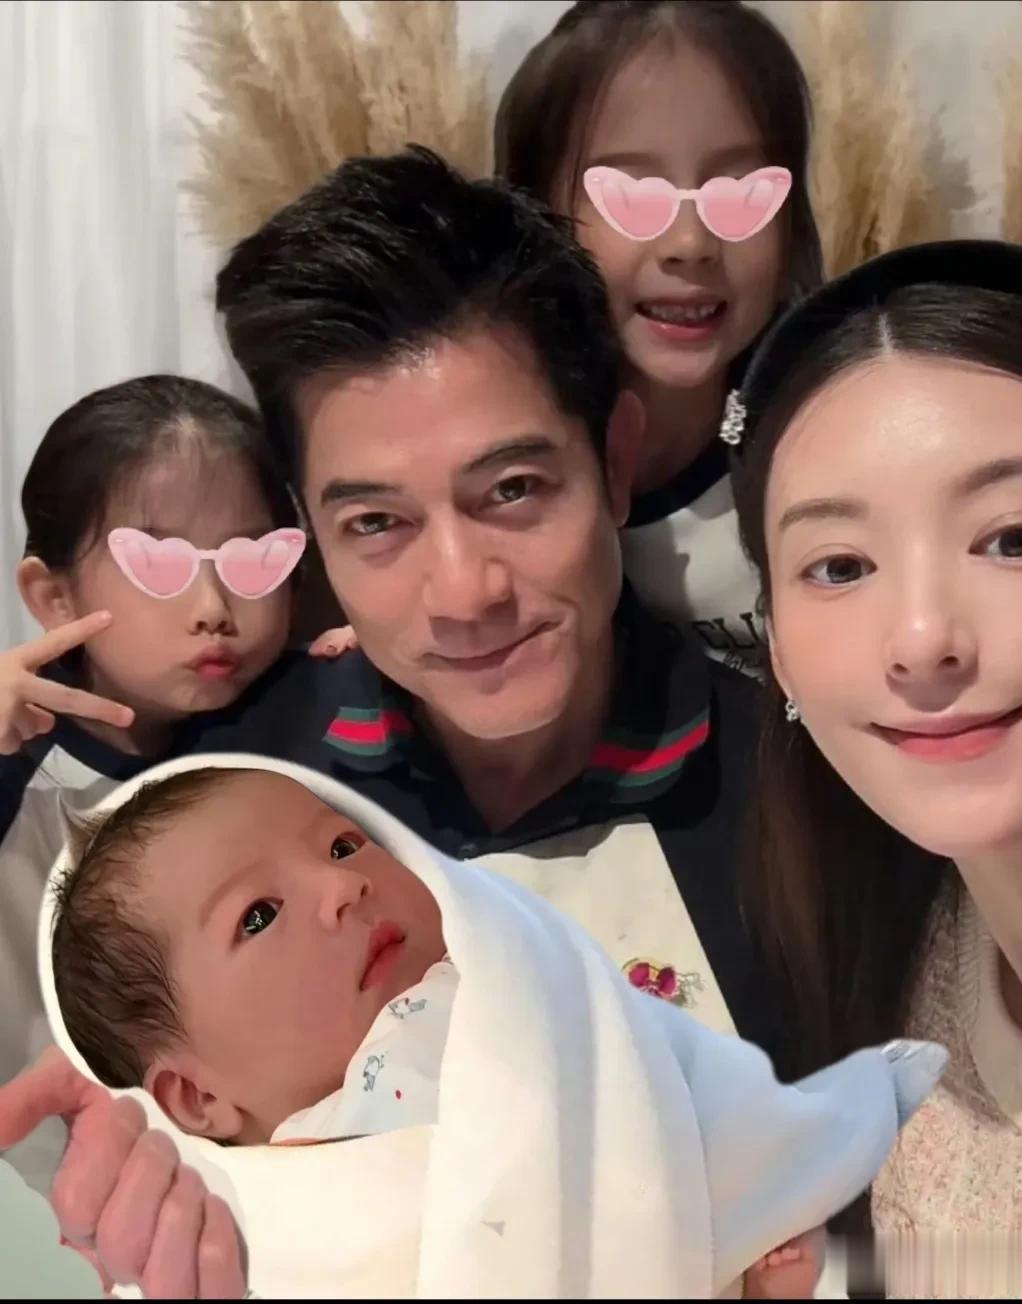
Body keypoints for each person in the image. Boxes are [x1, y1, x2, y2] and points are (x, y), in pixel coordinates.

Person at [194, 147, 772, 1054]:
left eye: (512, 490)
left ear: (615, 462)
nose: (464, 594)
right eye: (377, 523)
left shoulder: (796, 795)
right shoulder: (237, 790)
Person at [41, 761, 952, 1298]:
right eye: (259, 915)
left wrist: (749, 1170)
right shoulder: (243, 1226)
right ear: (196, 1098)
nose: (343, 887)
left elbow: (646, 1076)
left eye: (343, 844)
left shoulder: (510, 984)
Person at [731, 240, 1022, 1292]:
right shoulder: (890, 953)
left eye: (1015, 538)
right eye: (840, 565)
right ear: (776, 647)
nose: (923, 638)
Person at [0, 374, 301, 1192]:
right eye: (157, 564)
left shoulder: (302, 722)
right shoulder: (19, 774)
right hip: (66, 1196)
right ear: (53, 595)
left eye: (251, 559)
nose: (213, 606)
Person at [492, 0, 822, 673]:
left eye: (738, 190)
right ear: (534, 216)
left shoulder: (828, 433)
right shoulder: (494, 456)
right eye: (634, 195)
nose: (691, 242)